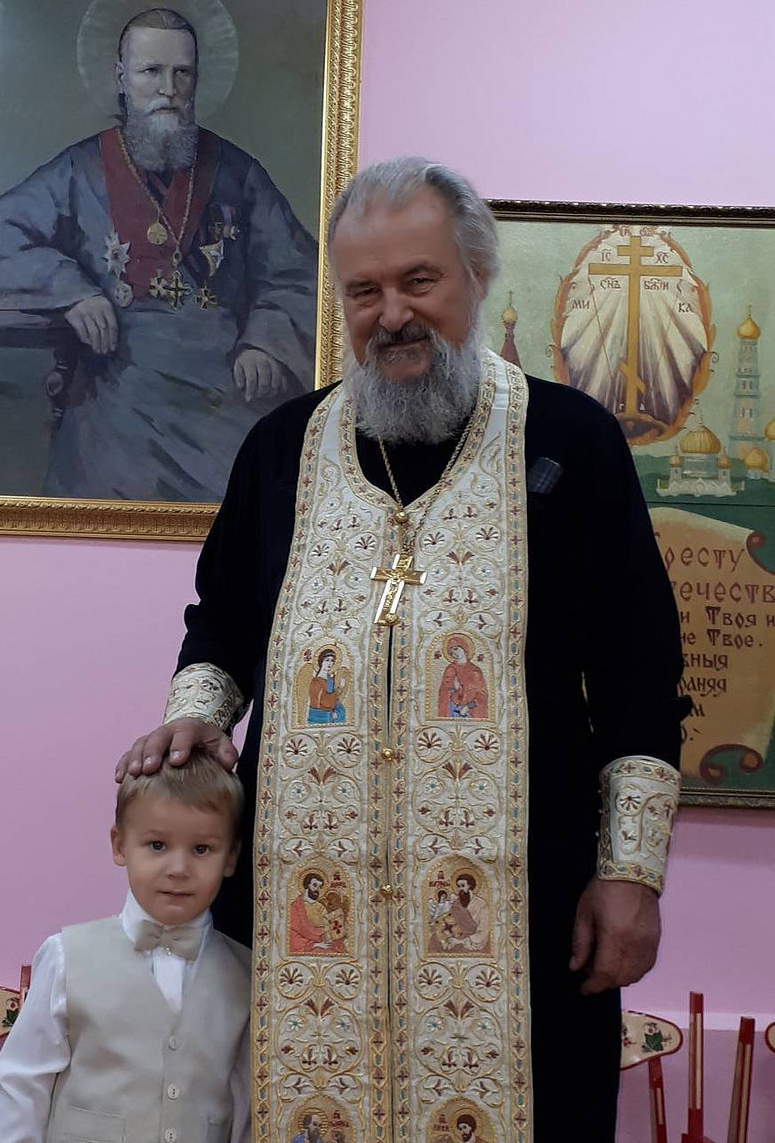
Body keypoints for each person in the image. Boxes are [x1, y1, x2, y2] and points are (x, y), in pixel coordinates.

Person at [118, 158, 689, 1140]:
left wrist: (631, 873)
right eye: (364, 291)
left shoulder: (572, 442)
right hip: (299, 921)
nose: (392, 315)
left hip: (526, 916)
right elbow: (222, 621)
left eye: (419, 281)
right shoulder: (281, 449)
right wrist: (198, 714)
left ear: (476, 274)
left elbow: (640, 672)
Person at [0, 0, 317, 502]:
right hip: (118, 394)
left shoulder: (238, 172)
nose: (168, 89)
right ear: (121, 78)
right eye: (151, 72)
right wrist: (72, 290)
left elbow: (296, 269)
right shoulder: (78, 170)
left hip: (224, 394)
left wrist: (266, 343)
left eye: (183, 73)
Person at [0, 753, 251, 1143]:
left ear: (231, 857)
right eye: (157, 845)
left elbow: (247, 1108)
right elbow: (22, 1087)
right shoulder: (66, 957)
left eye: (201, 849)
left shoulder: (248, 975)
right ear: (120, 845)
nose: (178, 869)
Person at [437, 636, 488, 719]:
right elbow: (444, 692)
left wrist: (467, 707)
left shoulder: (475, 671)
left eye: (456, 649)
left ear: (464, 648)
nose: (455, 653)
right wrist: (454, 689)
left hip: (470, 710)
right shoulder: (450, 669)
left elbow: (481, 695)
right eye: (451, 652)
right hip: (452, 709)